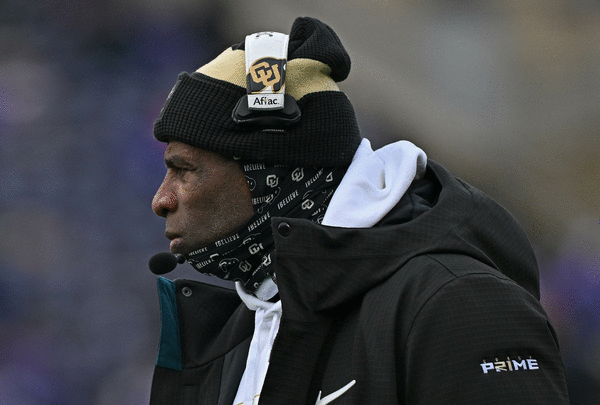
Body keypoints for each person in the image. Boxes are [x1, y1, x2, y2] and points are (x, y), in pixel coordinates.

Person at [148, 17, 570, 405]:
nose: (161, 200)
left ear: (270, 170)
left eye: (182, 169)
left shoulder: (457, 303)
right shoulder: (240, 333)